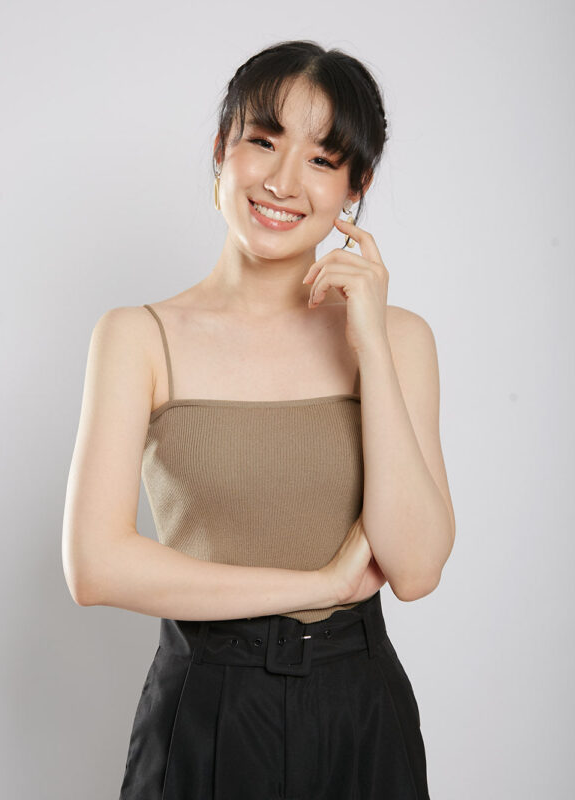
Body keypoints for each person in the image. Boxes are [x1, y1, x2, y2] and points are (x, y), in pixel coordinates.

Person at [62, 39, 455, 799]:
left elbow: (416, 569)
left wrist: (370, 344)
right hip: (207, 703)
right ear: (222, 149)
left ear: (356, 187)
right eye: (264, 141)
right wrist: (316, 582)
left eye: (321, 159)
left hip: (360, 707)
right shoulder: (137, 336)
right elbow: (95, 565)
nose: (282, 181)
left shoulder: (400, 340)